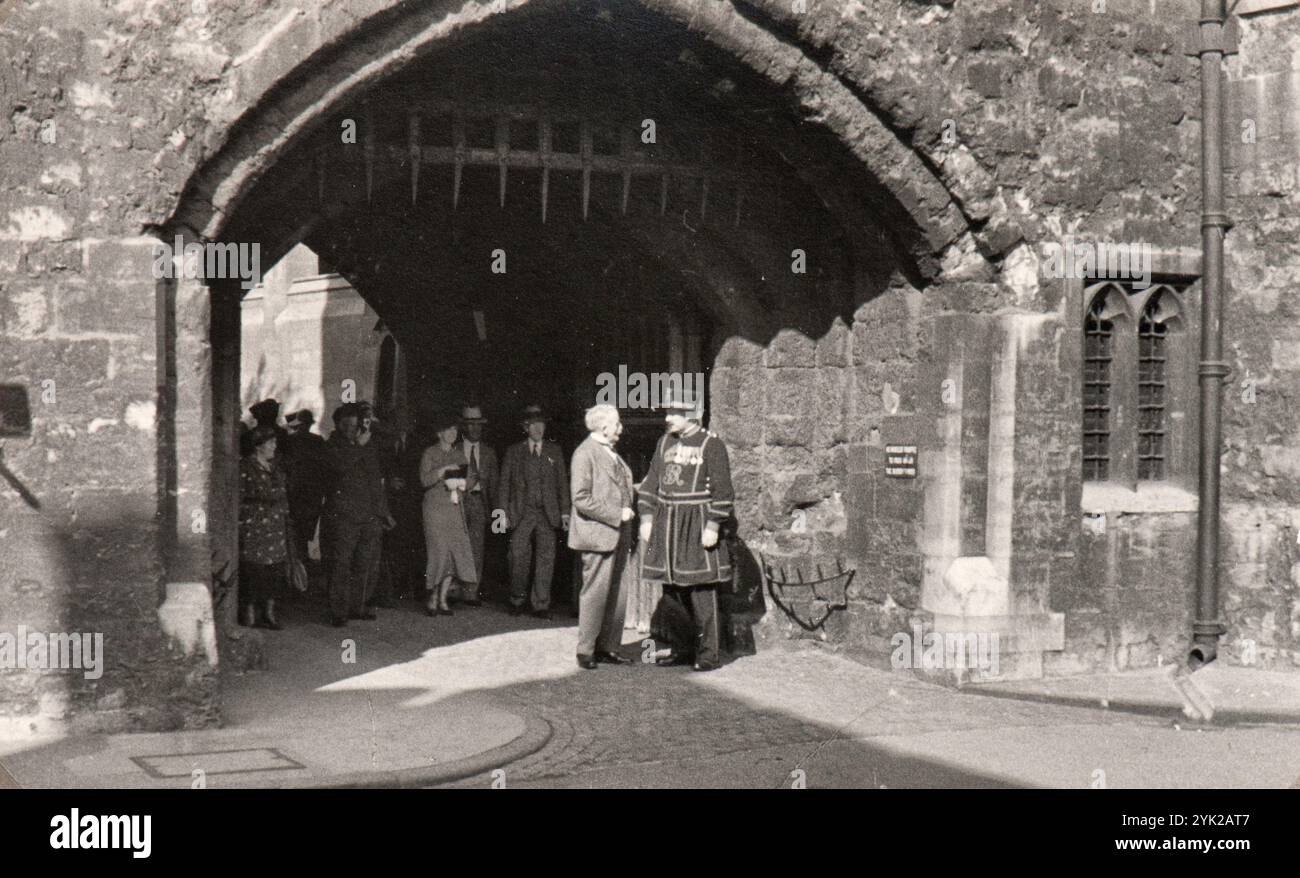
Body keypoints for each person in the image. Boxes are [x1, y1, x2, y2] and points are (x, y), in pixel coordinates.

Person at [638, 388, 734, 672]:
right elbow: (650, 483)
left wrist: (713, 525)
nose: (668, 418)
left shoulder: (711, 445)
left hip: (697, 525)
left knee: (700, 592)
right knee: (672, 594)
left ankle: (707, 655)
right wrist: (646, 518)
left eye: (673, 412)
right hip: (667, 527)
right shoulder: (664, 442)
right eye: (668, 412)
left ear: (690, 414)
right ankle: (682, 647)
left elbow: (724, 491)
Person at [568, 404, 635, 670]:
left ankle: (609, 646)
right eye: (617, 424)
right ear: (604, 427)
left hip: (618, 534)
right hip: (599, 534)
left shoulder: (612, 453)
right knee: (595, 593)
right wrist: (617, 514)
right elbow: (580, 498)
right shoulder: (585, 454)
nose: (621, 428)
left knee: (618, 593)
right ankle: (586, 650)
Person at [321, 402, 395, 627]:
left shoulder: (368, 444)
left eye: (357, 425)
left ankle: (358, 606)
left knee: (366, 564)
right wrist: (359, 447)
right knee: (341, 564)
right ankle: (338, 611)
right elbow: (339, 466)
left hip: (369, 516)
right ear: (340, 425)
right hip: (343, 517)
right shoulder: (332, 445)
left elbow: (375, 482)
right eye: (349, 425)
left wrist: (384, 513)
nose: (354, 429)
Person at [498, 404, 569, 619]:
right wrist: (501, 514)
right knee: (517, 555)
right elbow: (504, 485)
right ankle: (517, 599)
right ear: (525, 427)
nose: (539, 429)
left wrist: (565, 513)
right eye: (533, 425)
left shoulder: (554, 452)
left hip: (547, 514)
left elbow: (562, 486)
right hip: (521, 512)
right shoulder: (514, 452)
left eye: (541, 424)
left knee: (546, 557)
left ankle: (541, 604)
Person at [419, 411, 478, 616]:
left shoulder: (459, 454)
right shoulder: (430, 453)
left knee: (453, 554)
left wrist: (464, 483)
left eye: (455, 429)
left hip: (454, 509)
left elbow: (471, 478)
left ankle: (443, 599)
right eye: (448, 429)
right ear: (439, 432)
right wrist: (443, 471)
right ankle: (432, 596)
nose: (453, 433)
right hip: (435, 510)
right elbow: (424, 480)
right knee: (438, 553)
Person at [238, 424, 294, 630]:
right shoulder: (245, 467)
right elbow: (240, 497)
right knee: (253, 570)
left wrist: (286, 517)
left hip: (276, 525)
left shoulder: (276, 468)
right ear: (258, 446)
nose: (274, 446)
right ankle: (250, 613)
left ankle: (269, 613)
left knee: (274, 571)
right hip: (255, 525)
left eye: (275, 442)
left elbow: (284, 494)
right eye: (271, 443)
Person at [456, 404, 499, 607]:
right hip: (458, 502)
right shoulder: (454, 449)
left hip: (479, 502)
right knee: (456, 544)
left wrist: (496, 511)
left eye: (478, 424)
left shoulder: (489, 453)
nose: (474, 429)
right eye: (470, 424)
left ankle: (470, 592)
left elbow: (494, 484)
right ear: (463, 426)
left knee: (476, 548)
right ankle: (453, 588)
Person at [283, 409, 328, 567]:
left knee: (296, 524)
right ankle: (301, 558)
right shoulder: (318, 441)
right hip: (311, 492)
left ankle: (297, 558)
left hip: (295, 489)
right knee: (305, 526)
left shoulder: (290, 440)